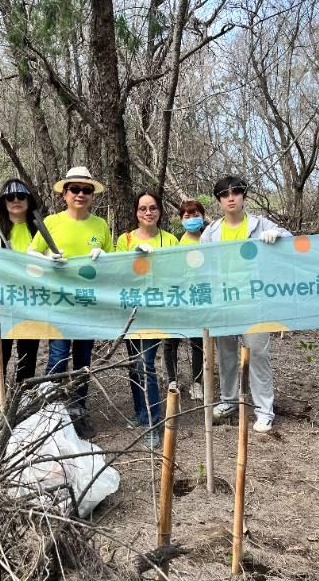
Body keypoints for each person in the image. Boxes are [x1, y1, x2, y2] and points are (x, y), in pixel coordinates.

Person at [200, 175, 291, 432]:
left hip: (255, 301)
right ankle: (229, 400)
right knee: (227, 354)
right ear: (218, 200)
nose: (231, 198)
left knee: (258, 354)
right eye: (225, 194)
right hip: (225, 302)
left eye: (236, 193)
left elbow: (291, 239)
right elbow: (203, 266)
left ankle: (264, 410)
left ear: (243, 196)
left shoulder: (260, 224)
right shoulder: (211, 233)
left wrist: (278, 235)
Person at [28, 166, 113, 439]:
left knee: (83, 358)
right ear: (64, 194)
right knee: (57, 355)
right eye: (74, 189)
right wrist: (47, 260)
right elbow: (31, 254)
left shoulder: (100, 225)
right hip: (59, 302)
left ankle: (77, 409)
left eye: (86, 190)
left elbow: (112, 262)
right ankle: (52, 411)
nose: (80, 194)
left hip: (87, 303)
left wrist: (104, 256)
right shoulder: (51, 222)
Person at [115, 191, 178, 447]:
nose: (148, 213)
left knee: (146, 364)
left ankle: (154, 424)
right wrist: (134, 258)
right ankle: (142, 414)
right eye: (143, 208)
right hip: (131, 311)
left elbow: (179, 273)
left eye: (152, 208)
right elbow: (118, 272)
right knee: (134, 365)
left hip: (158, 311)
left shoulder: (171, 240)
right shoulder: (125, 239)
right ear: (136, 212)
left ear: (160, 211)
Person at [0, 179, 41, 415]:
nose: (15, 202)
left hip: (31, 297)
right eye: (10, 198)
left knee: (29, 347)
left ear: (28, 199)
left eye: (20, 197)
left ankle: (23, 392)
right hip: (2, 297)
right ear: (3, 201)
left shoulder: (39, 227)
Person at [163, 199, 206, 401]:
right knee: (171, 341)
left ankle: (196, 383)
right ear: (181, 220)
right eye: (186, 216)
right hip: (177, 297)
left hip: (200, 297)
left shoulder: (210, 241)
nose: (191, 219)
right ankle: (173, 380)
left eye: (195, 215)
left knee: (197, 342)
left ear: (203, 217)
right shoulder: (175, 242)